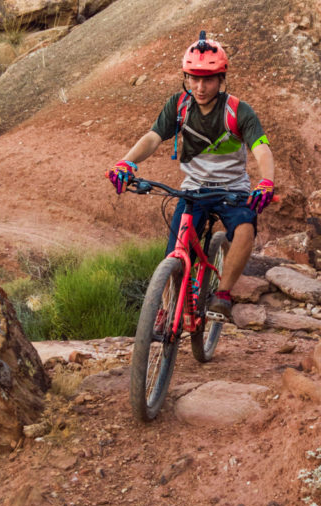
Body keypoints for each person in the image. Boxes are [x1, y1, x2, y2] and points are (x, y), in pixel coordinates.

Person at [108, 32, 275, 322]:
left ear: (221, 79)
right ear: (185, 78)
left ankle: (222, 294)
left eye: (208, 79)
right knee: (175, 253)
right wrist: (127, 163)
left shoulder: (237, 110)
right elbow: (153, 137)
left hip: (231, 190)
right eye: (193, 78)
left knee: (246, 227)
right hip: (193, 190)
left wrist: (266, 181)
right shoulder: (179, 106)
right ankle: (165, 311)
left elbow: (261, 148)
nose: (200, 86)